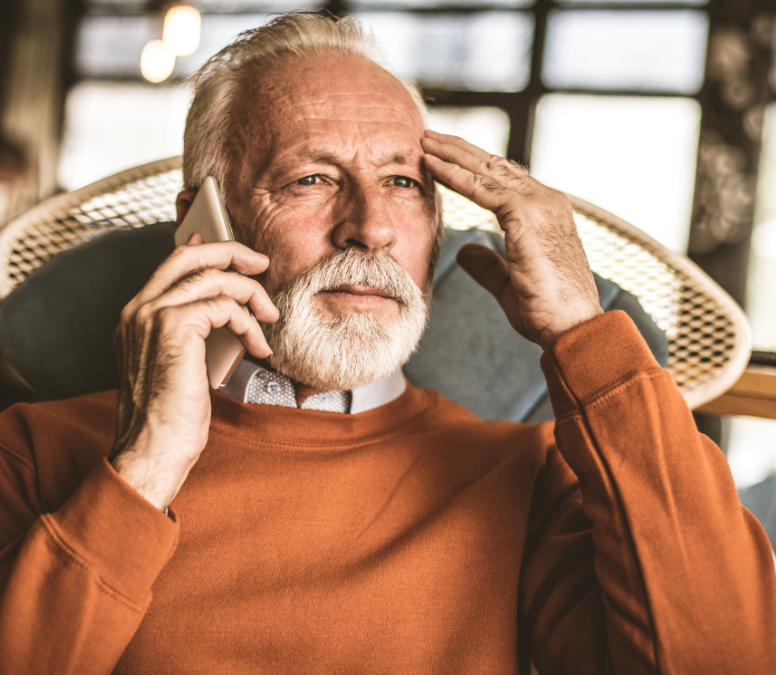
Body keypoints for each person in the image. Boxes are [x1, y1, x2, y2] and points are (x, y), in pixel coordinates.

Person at [0, 12, 774, 675]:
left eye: (405, 182)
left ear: (437, 224)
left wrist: (585, 334)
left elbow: (729, 654)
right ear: (206, 218)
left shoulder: (528, 481)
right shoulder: (36, 451)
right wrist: (144, 468)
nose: (370, 227)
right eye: (310, 179)